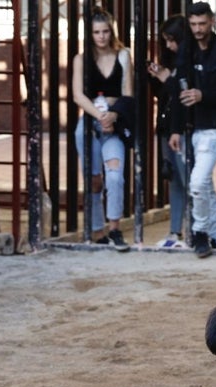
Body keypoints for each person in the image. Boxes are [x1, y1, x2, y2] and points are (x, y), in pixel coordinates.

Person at [170, 2, 216, 258]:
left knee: (197, 183)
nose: (197, 29)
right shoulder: (187, 50)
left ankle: (199, 232)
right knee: (205, 185)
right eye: (193, 24)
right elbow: (179, 91)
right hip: (191, 127)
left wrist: (203, 95)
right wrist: (176, 129)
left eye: (202, 23)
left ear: (212, 21)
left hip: (215, 126)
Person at [70, 7, 132, 252]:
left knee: (115, 176)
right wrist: (100, 115)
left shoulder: (123, 55)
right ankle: (97, 230)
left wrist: (114, 115)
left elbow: (128, 93)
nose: (102, 36)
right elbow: (77, 94)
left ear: (112, 31)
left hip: (115, 122)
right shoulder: (81, 59)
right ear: (90, 33)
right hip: (89, 123)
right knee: (94, 179)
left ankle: (114, 228)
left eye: (106, 31)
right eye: (96, 32)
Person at [146, 14, 188, 248]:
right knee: (173, 178)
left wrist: (166, 78)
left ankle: (194, 229)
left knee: (189, 179)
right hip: (165, 125)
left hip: (181, 128)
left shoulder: (189, 60)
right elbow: (163, 96)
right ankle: (175, 231)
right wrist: (155, 78)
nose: (170, 45)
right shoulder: (169, 60)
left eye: (173, 40)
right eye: (166, 40)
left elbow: (183, 97)